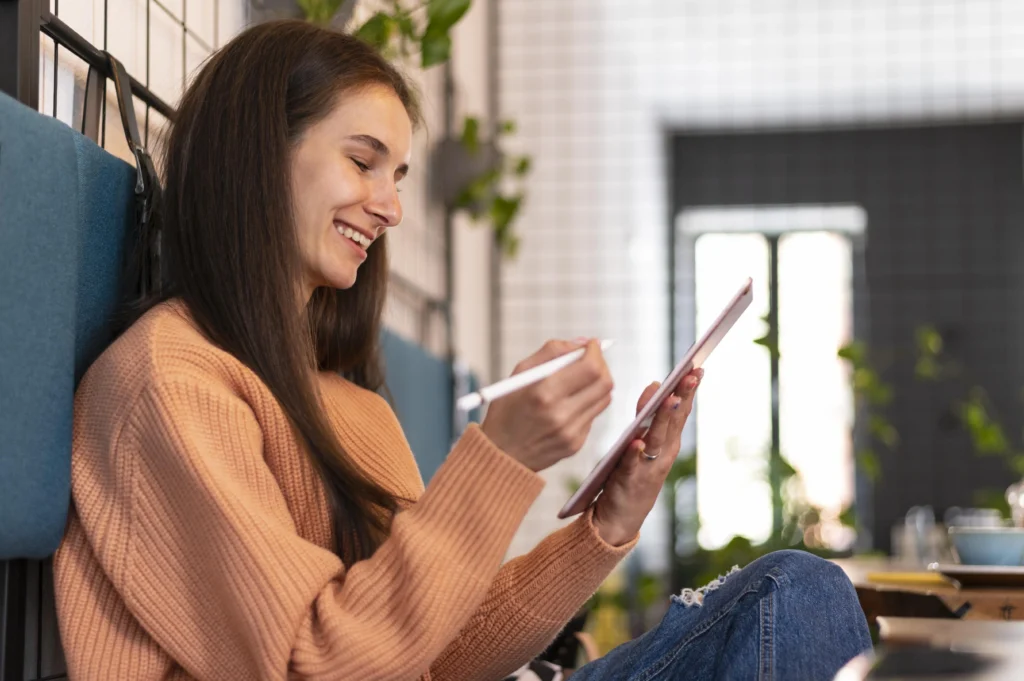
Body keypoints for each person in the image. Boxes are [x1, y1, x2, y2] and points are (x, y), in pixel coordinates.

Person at [53, 20, 871, 681]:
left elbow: (435, 656)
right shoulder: (168, 379)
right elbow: (315, 664)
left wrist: (604, 524)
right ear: (258, 156)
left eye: (400, 174)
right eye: (363, 161)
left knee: (795, 590)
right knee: (791, 597)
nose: (392, 207)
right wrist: (499, 457)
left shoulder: (351, 405)